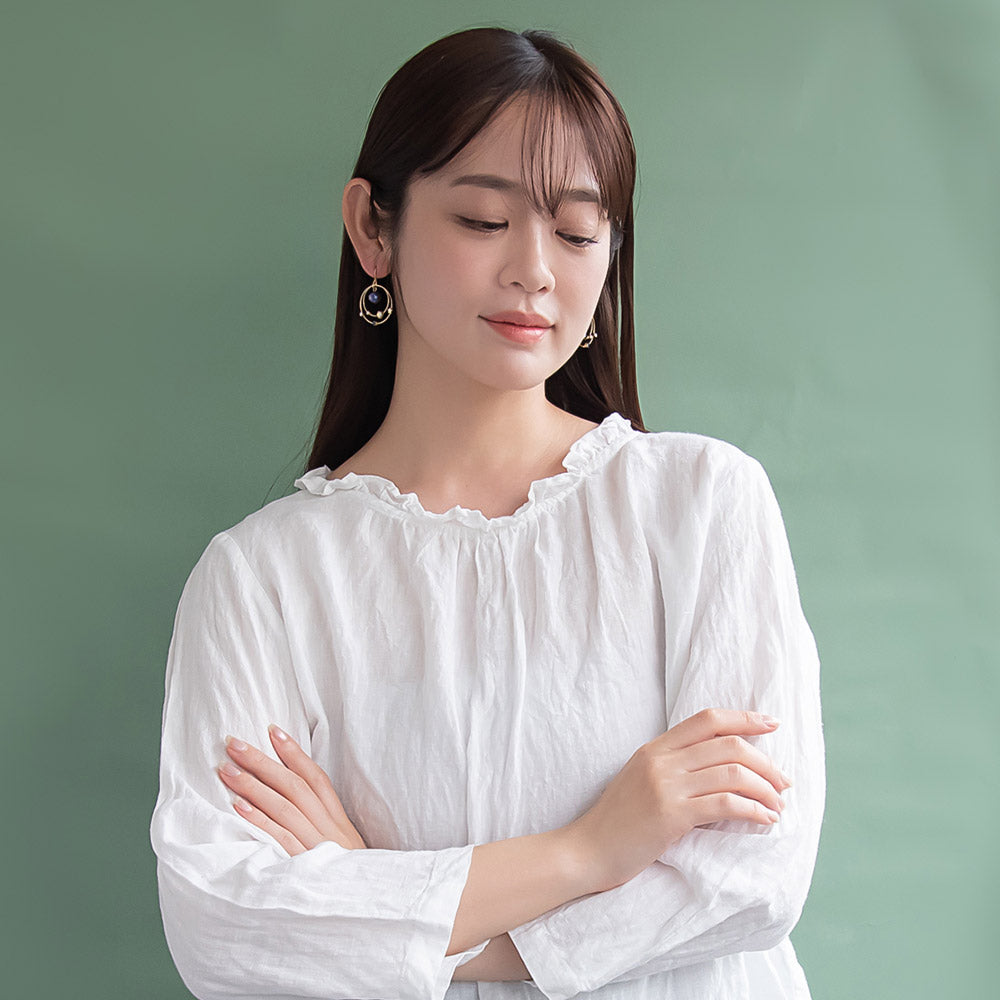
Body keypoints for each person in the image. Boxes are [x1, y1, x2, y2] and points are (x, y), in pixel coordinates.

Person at [149, 25, 825, 1000]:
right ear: (372, 229)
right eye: (480, 220)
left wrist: (386, 909)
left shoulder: (703, 506)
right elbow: (228, 926)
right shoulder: (263, 578)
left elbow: (747, 880)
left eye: (578, 230)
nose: (535, 270)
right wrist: (591, 847)